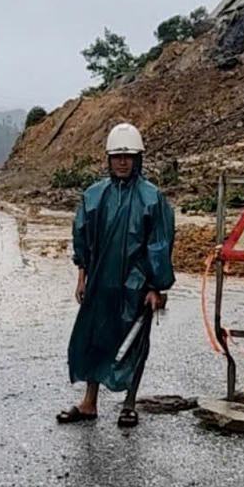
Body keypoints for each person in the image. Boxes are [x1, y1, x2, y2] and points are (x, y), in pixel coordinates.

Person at [57, 123, 175, 428]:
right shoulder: (94, 196)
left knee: (134, 344)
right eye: (117, 156)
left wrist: (156, 286)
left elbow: (159, 243)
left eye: (129, 156)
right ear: (109, 159)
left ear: (138, 158)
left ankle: (129, 404)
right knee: (95, 338)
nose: (123, 162)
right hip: (99, 283)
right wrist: (82, 276)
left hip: (136, 286)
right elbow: (81, 236)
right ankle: (89, 403)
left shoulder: (152, 198)